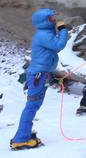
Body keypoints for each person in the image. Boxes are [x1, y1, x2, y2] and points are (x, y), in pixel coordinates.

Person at [9, 8, 69, 150]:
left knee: (33, 106)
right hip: (38, 75)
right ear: (44, 21)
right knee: (32, 106)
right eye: (51, 18)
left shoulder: (46, 33)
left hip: (41, 74)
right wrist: (63, 30)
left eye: (54, 17)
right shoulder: (43, 35)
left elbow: (55, 47)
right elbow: (59, 45)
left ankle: (24, 134)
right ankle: (20, 139)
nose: (54, 20)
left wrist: (60, 32)